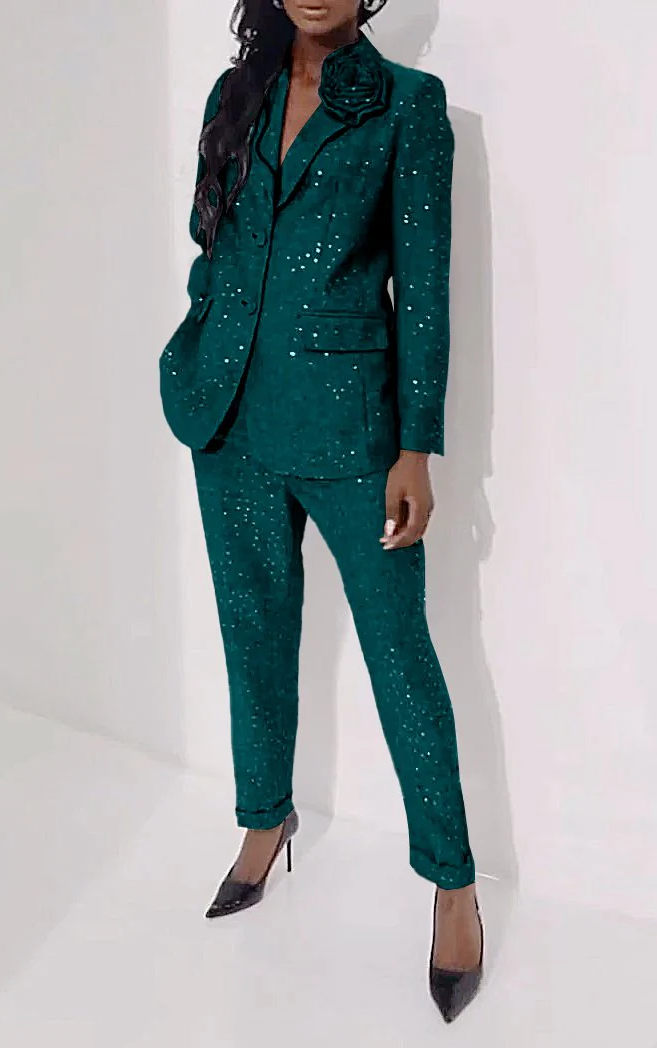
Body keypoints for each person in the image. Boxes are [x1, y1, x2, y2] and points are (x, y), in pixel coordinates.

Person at [159, 0, 484, 1024]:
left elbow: (424, 288)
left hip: (352, 434)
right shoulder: (235, 91)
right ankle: (266, 819)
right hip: (228, 421)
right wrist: (199, 333)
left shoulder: (407, 106)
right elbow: (213, 241)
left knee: (399, 654)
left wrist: (416, 447)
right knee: (252, 633)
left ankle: (453, 881)